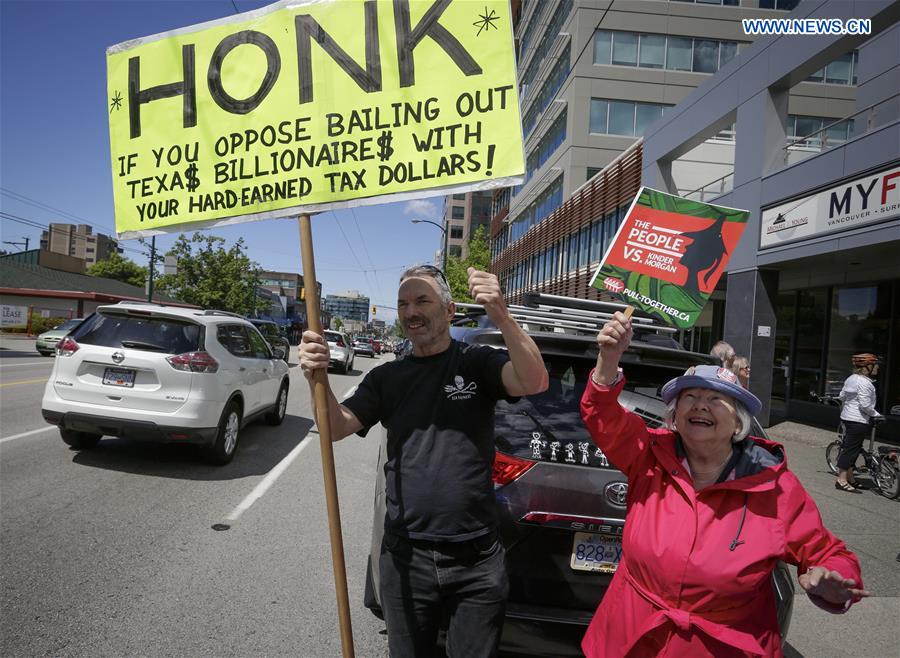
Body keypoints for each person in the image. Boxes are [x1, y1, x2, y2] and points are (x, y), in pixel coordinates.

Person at [579, 311, 868, 657]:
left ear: (738, 424)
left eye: (716, 399)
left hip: (727, 646)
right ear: (673, 416)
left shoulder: (774, 485)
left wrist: (833, 579)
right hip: (631, 637)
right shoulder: (649, 455)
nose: (701, 404)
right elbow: (603, 416)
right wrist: (608, 358)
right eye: (690, 397)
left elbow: (829, 554)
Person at [298, 265, 548, 657]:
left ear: (449, 310)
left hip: (476, 561)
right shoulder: (387, 377)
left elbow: (534, 381)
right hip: (405, 557)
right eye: (402, 304)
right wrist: (318, 376)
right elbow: (335, 427)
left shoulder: (476, 362)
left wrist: (500, 312)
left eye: (421, 301)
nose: (410, 311)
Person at [835, 353, 882, 492]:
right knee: (850, 450)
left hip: (847, 417)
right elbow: (865, 405)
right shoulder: (865, 383)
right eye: (875, 365)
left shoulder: (851, 378)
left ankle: (851, 478)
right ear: (867, 367)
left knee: (853, 448)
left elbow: (842, 396)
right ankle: (841, 480)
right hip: (858, 420)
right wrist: (877, 415)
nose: (877, 368)